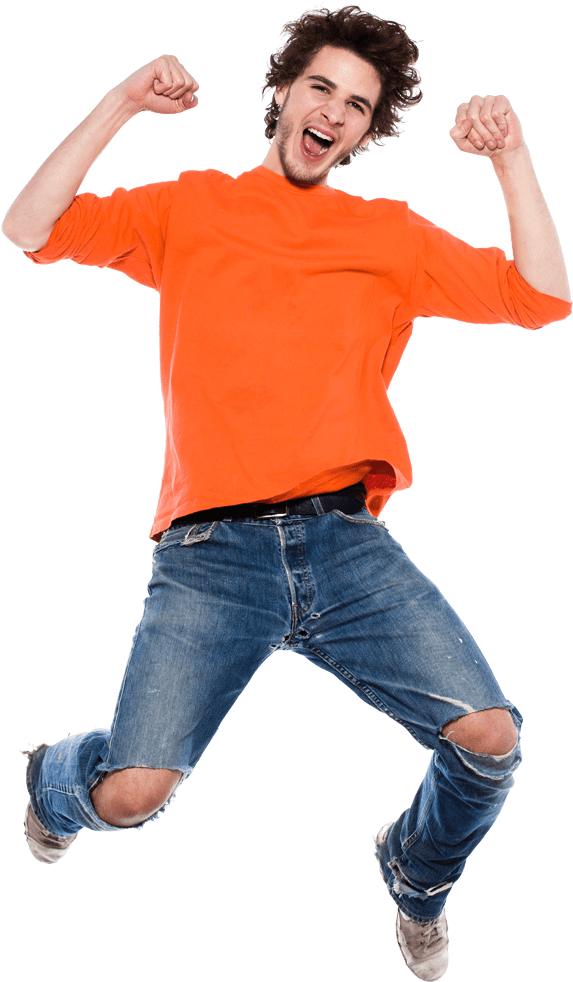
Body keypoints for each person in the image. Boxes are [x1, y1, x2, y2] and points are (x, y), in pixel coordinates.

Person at [4, 5, 570, 979]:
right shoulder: (192, 207)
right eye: (321, 88)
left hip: (344, 545)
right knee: (133, 795)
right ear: (282, 91)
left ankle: (415, 871)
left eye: (357, 105)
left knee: (491, 739)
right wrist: (125, 102)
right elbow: (29, 226)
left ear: (366, 131)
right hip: (210, 553)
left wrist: (509, 157)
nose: (334, 113)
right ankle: (55, 781)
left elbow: (541, 297)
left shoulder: (385, 234)